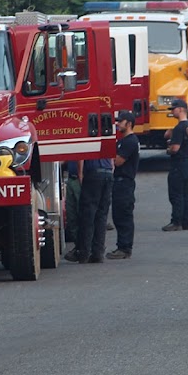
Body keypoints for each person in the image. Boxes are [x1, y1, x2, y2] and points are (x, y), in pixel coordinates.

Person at [65, 156, 113, 263]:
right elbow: (112, 159)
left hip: (93, 174)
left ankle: (84, 253)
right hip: (107, 173)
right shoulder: (106, 143)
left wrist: (80, 175)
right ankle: (98, 253)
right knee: (101, 216)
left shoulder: (90, 143)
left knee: (87, 216)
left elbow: (81, 157)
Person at [107, 111, 141, 259]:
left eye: (120, 121)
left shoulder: (130, 141)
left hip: (124, 182)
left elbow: (118, 161)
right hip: (119, 182)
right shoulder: (123, 140)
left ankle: (125, 248)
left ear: (129, 124)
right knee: (118, 214)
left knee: (123, 216)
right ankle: (122, 246)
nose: (117, 124)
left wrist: (109, 157)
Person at [162, 98, 188, 232]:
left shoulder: (179, 128)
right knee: (185, 193)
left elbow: (175, 148)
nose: (172, 111)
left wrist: (168, 149)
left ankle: (176, 222)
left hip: (178, 164)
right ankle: (187, 222)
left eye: (173, 109)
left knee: (176, 194)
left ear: (181, 109)